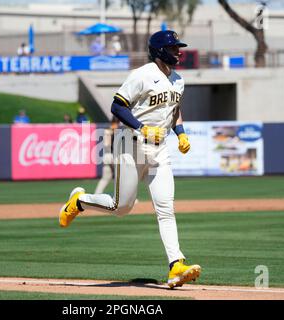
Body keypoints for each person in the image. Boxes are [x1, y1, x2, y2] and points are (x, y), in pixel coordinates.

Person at [58, 30, 200, 289]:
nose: (179, 51)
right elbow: (117, 106)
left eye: (178, 47)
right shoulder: (142, 75)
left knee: (166, 209)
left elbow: (174, 109)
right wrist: (141, 128)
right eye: (173, 48)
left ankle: (176, 265)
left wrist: (181, 133)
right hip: (131, 146)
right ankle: (79, 201)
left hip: (159, 151)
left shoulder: (178, 80)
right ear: (159, 51)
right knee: (121, 207)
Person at [94, 118, 119, 194]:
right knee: (120, 178)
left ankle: (96, 194)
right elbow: (110, 145)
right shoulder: (112, 131)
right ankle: (123, 197)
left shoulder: (107, 131)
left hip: (106, 156)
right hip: (112, 156)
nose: (118, 125)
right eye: (118, 123)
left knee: (106, 178)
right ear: (115, 123)